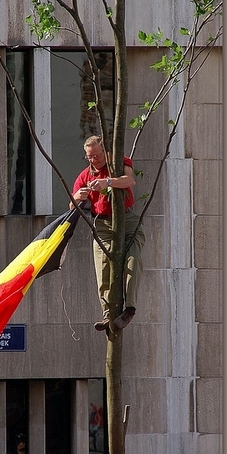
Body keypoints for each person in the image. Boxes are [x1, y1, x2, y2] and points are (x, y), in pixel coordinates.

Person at [71, 135, 145, 331]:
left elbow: (129, 180)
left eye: (97, 156)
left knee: (132, 260)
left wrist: (108, 182)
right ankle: (108, 313)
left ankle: (129, 308)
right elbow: (73, 206)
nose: (94, 160)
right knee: (102, 267)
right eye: (89, 157)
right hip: (102, 225)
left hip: (126, 220)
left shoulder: (118, 163)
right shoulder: (85, 175)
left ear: (106, 152)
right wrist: (77, 197)